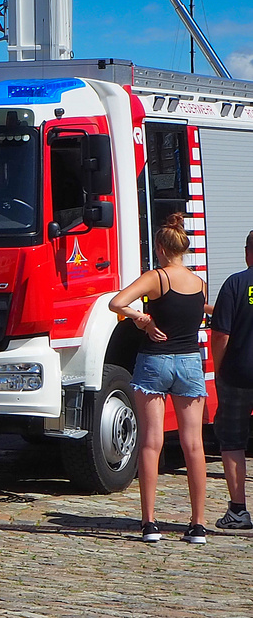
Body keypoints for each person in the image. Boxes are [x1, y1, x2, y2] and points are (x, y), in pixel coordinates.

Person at [108, 212, 209, 543]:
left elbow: (117, 302)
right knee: (193, 444)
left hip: (155, 362)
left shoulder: (156, 278)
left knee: (152, 442)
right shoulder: (198, 282)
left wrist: (142, 319)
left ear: (162, 249)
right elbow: (205, 308)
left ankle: (150, 523)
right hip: (190, 363)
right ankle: (197, 525)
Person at [210, 229, 253, 531]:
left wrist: (219, 369)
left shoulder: (235, 284)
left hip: (238, 373)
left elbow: (221, 334)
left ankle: (239, 510)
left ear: (248, 252)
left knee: (233, 441)